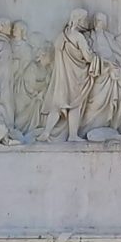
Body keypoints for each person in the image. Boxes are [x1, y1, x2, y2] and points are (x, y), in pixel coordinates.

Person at [38, 9, 100, 142]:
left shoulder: (61, 36)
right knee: (75, 105)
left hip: (61, 77)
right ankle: (72, 136)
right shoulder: (78, 37)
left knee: (57, 106)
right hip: (75, 77)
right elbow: (88, 58)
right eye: (84, 19)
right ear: (78, 20)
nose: (86, 22)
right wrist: (97, 58)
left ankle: (46, 132)